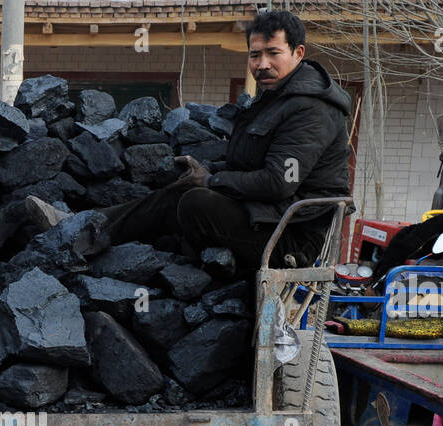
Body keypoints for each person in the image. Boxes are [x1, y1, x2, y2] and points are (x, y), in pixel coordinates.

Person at [33, 9, 353, 273]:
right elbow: (248, 163)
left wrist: (212, 180)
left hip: (291, 237)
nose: (262, 64)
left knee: (196, 201)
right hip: (266, 216)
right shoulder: (275, 99)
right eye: (255, 55)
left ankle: (85, 234)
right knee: (181, 188)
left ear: (298, 53)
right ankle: (79, 229)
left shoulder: (311, 108)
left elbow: (278, 182)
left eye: (273, 53)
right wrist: (206, 169)